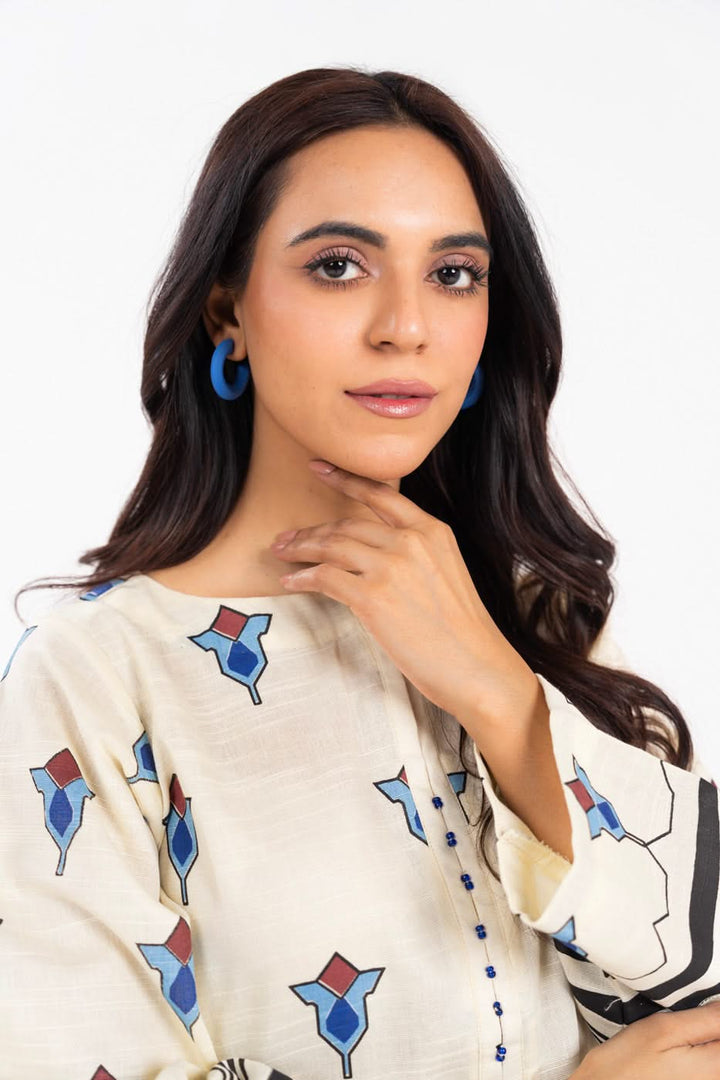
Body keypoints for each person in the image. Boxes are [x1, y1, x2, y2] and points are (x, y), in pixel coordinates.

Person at [1, 65, 719, 1080]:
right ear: (226, 312)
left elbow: (697, 991)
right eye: (339, 266)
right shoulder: (94, 677)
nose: (405, 326)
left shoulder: (535, 618)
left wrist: (498, 693)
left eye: (454, 274)